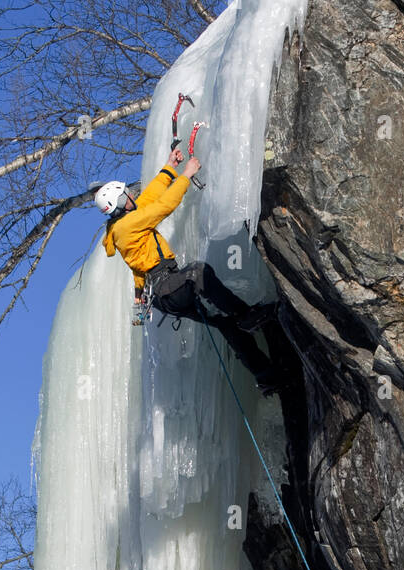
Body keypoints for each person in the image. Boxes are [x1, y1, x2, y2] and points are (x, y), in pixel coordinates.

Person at [96, 151, 278, 393]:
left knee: (224, 322)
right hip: (169, 287)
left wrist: (170, 167)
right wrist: (186, 175)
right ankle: (246, 314)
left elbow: (149, 199)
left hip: (165, 293)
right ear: (120, 202)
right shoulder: (127, 225)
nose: (132, 195)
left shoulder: (123, 226)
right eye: (127, 195)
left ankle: (265, 375)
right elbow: (163, 206)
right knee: (198, 273)